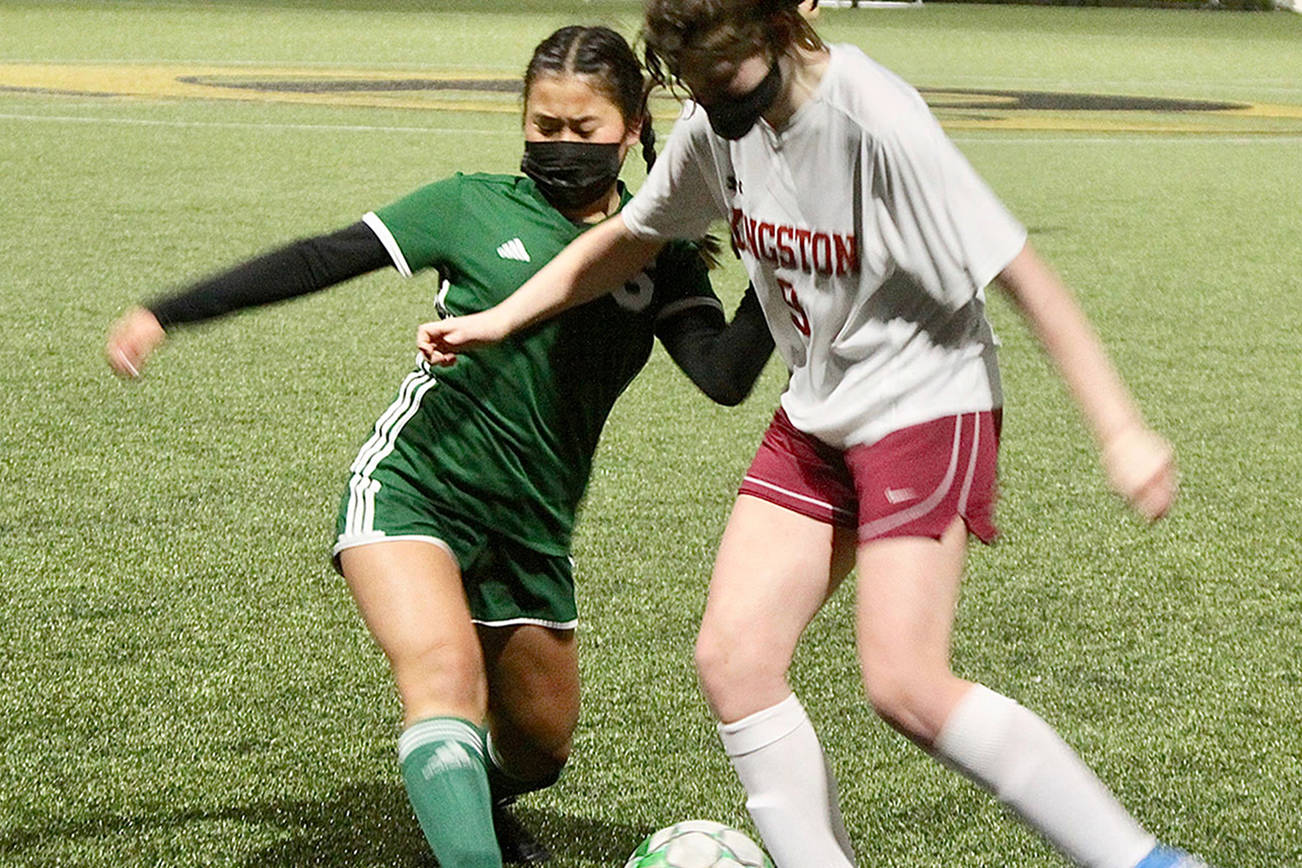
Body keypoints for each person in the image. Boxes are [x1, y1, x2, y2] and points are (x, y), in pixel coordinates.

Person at [413, 3, 1208, 868]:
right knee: (734, 660)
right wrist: (502, 316)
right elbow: (631, 238)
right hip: (818, 408)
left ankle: (1147, 861)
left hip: (925, 404)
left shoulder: (876, 118)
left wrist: (1120, 427)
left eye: (728, 78)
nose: (715, 102)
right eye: (697, 83)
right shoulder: (718, 119)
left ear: (784, 25)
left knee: (906, 683)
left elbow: (1023, 274)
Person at [104, 24, 773, 868]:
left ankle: (464, 804)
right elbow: (324, 257)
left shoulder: (659, 250)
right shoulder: (471, 204)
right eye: (543, 126)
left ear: (634, 128)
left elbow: (722, 375)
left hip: (533, 524)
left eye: (583, 130)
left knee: (539, 750)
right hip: (416, 487)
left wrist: (778, 271)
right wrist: (168, 311)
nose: (559, 146)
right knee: (442, 682)